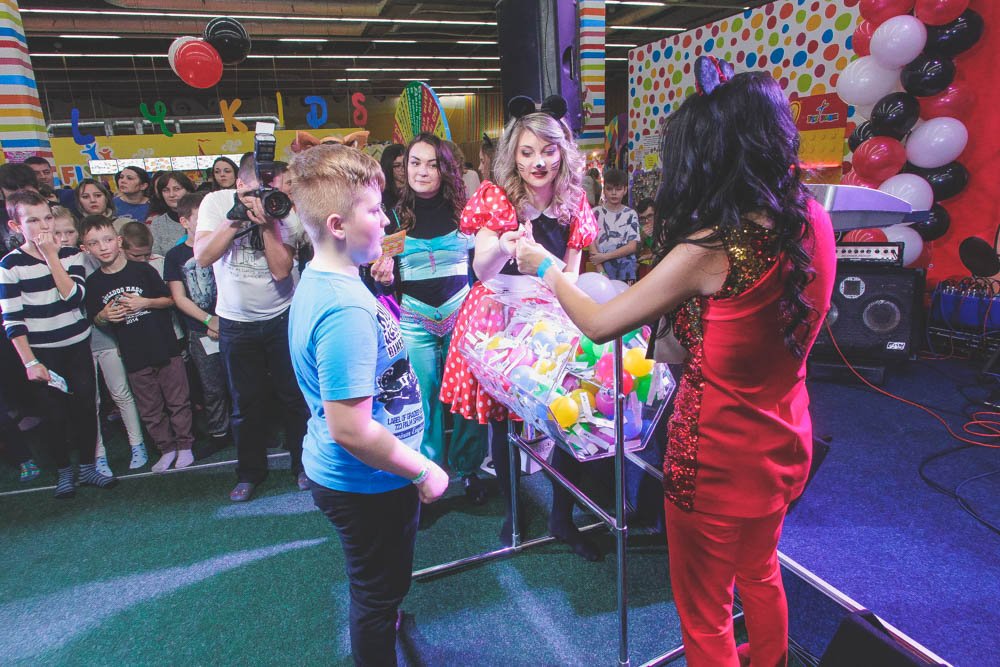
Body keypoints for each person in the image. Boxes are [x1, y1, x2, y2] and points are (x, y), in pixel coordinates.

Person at [514, 68, 836, 667]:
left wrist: (545, 267)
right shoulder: (810, 217)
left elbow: (599, 322)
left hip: (713, 455)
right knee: (760, 570)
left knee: (705, 608)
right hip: (786, 435)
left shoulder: (711, 248)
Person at [287, 142, 449, 666]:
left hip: (367, 478)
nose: (385, 220)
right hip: (366, 483)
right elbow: (351, 428)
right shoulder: (343, 309)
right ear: (337, 225)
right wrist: (422, 470)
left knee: (379, 585)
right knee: (376, 596)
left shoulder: (334, 280)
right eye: (375, 211)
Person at [440, 102, 602, 561]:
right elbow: (481, 269)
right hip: (499, 315)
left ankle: (562, 517)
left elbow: (570, 277)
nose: (538, 162)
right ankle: (514, 511)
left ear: (563, 152)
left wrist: (541, 265)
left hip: (551, 313)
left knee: (568, 414)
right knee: (504, 421)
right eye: (527, 152)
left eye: (548, 151)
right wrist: (504, 243)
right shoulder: (496, 197)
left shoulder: (574, 202)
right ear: (513, 153)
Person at [194, 152, 309, 502]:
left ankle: (302, 465)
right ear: (240, 184)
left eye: (276, 189)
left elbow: (280, 271)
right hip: (235, 322)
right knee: (245, 404)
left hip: (282, 317)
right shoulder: (216, 203)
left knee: (294, 398)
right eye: (260, 190)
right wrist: (236, 217)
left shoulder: (284, 210)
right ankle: (249, 473)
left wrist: (267, 223)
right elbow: (203, 256)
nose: (269, 196)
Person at [388, 133, 488, 503]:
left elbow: (483, 269)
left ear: (445, 168)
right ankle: (427, 477)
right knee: (421, 401)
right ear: (405, 167)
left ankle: (469, 470)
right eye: (415, 163)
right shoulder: (394, 217)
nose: (422, 171)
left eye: (432, 164)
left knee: (466, 400)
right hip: (414, 320)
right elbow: (385, 277)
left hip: (462, 317)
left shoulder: (466, 214)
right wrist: (381, 273)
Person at [0, 190, 115, 497]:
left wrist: (52, 256)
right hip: (43, 353)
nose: (44, 226)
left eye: (47, 218)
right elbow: (12, 320)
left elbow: (74, 297)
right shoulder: (10, 265)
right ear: (16, 226)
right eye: (33, 220)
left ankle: (88, 468)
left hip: (76, 345)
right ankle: (64, 471)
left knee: (85, 408)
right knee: (53, 415)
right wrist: (30, 362)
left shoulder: (70, 255)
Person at [82, 214, 195, 473]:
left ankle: (185, 445)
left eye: (107, 239)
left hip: (165, 346)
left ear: (119, 241)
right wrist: (104, 316)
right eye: (94, 243)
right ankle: (166, 449)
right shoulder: (94, 283)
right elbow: (95, 319)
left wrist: (146, 302)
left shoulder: (143, 270)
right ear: (86, 248)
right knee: (150, 408)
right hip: (133, 354)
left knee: (178, 400)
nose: (103, 247)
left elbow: (170, 300)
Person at [52, 207, 147, 476]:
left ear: (78, 234)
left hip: (105, 338)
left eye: (69, 232)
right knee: (89, 401)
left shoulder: (93, 257)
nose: (64, 238)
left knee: (120, 392)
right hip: (75, 343)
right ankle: (98, 455)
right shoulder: (50, 263)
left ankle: (137, 445)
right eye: (57, 233)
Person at [164, 192, 232, 455]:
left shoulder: (227, 244)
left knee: (241, 382)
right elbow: (179, 297)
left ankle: (250, 429)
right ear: (184, 221)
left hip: (232, 325)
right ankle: (219, 432)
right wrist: (208, 320)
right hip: (199, 330)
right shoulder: (175, 255)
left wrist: (223, 319)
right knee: (212, 386)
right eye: (202, 217)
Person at [588, 168, 640, 282]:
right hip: (602, 271)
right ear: (604, 190)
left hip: (626, 271)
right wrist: (601, 271)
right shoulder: (595, 213)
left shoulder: (631, 214)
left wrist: (605, 257)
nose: (614, 193)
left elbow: (632, 246)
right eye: (609, 189)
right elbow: (591, 244)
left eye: (618, 189)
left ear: (625, 190)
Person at [149, 171, 196, 256]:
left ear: (188, 191)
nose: (171, 195)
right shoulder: (158, 223)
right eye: (166, 190)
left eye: (177, 189)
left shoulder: (202, 218)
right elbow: (155, 255)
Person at [379, 144, 406, 212]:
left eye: (406, 164)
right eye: (397, 165)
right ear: (388, 167)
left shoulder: (417, 193)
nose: (403, 169)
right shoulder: (380, 196)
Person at [635, 197, 657, 279]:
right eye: (643, 218)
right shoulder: (640, 229)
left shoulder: (665, 227)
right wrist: (642, 237)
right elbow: (635, 253)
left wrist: (650, 256)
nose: (647, 221)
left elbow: (669, 252)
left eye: (650, 216)